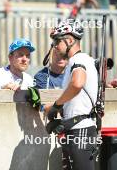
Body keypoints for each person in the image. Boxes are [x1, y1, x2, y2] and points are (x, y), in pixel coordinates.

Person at [44, 19, 98, 170]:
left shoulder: (78, 59)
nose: (54, 46)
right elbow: (79, 98)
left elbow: (77, 84)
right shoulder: (80, 60)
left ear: (69, 40)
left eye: (56, 41)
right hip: (78, 129)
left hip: (81, 130)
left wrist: (56, 105)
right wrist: (62, 111)